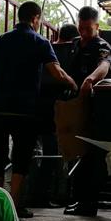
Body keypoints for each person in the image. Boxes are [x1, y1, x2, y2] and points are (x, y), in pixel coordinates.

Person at [0, 1, 77, 216]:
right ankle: (14, 206)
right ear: (36, 18)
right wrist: (73, 84)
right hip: (24, 111)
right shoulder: (40, 42)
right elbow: (57, 73)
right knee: (21, 158)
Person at [63, 6, 111, 217]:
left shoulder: (102, 46)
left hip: (96, 107)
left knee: (92, 155)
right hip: (76, 106)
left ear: (97, 26)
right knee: (77, 152)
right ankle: (78, 199)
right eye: (80, 28)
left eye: (88, 29)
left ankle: (89, 203)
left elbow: (104, 66)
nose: (83, 33)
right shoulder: (74, 44)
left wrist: (90, 79)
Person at [32, 23, 80, 207]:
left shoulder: (45, 47)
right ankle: (46, 195)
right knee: (53, 152)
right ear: (74, 38)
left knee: (33, 152)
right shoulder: (71, 51)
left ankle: (32, 193)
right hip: (56, 108)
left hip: (35, 106)